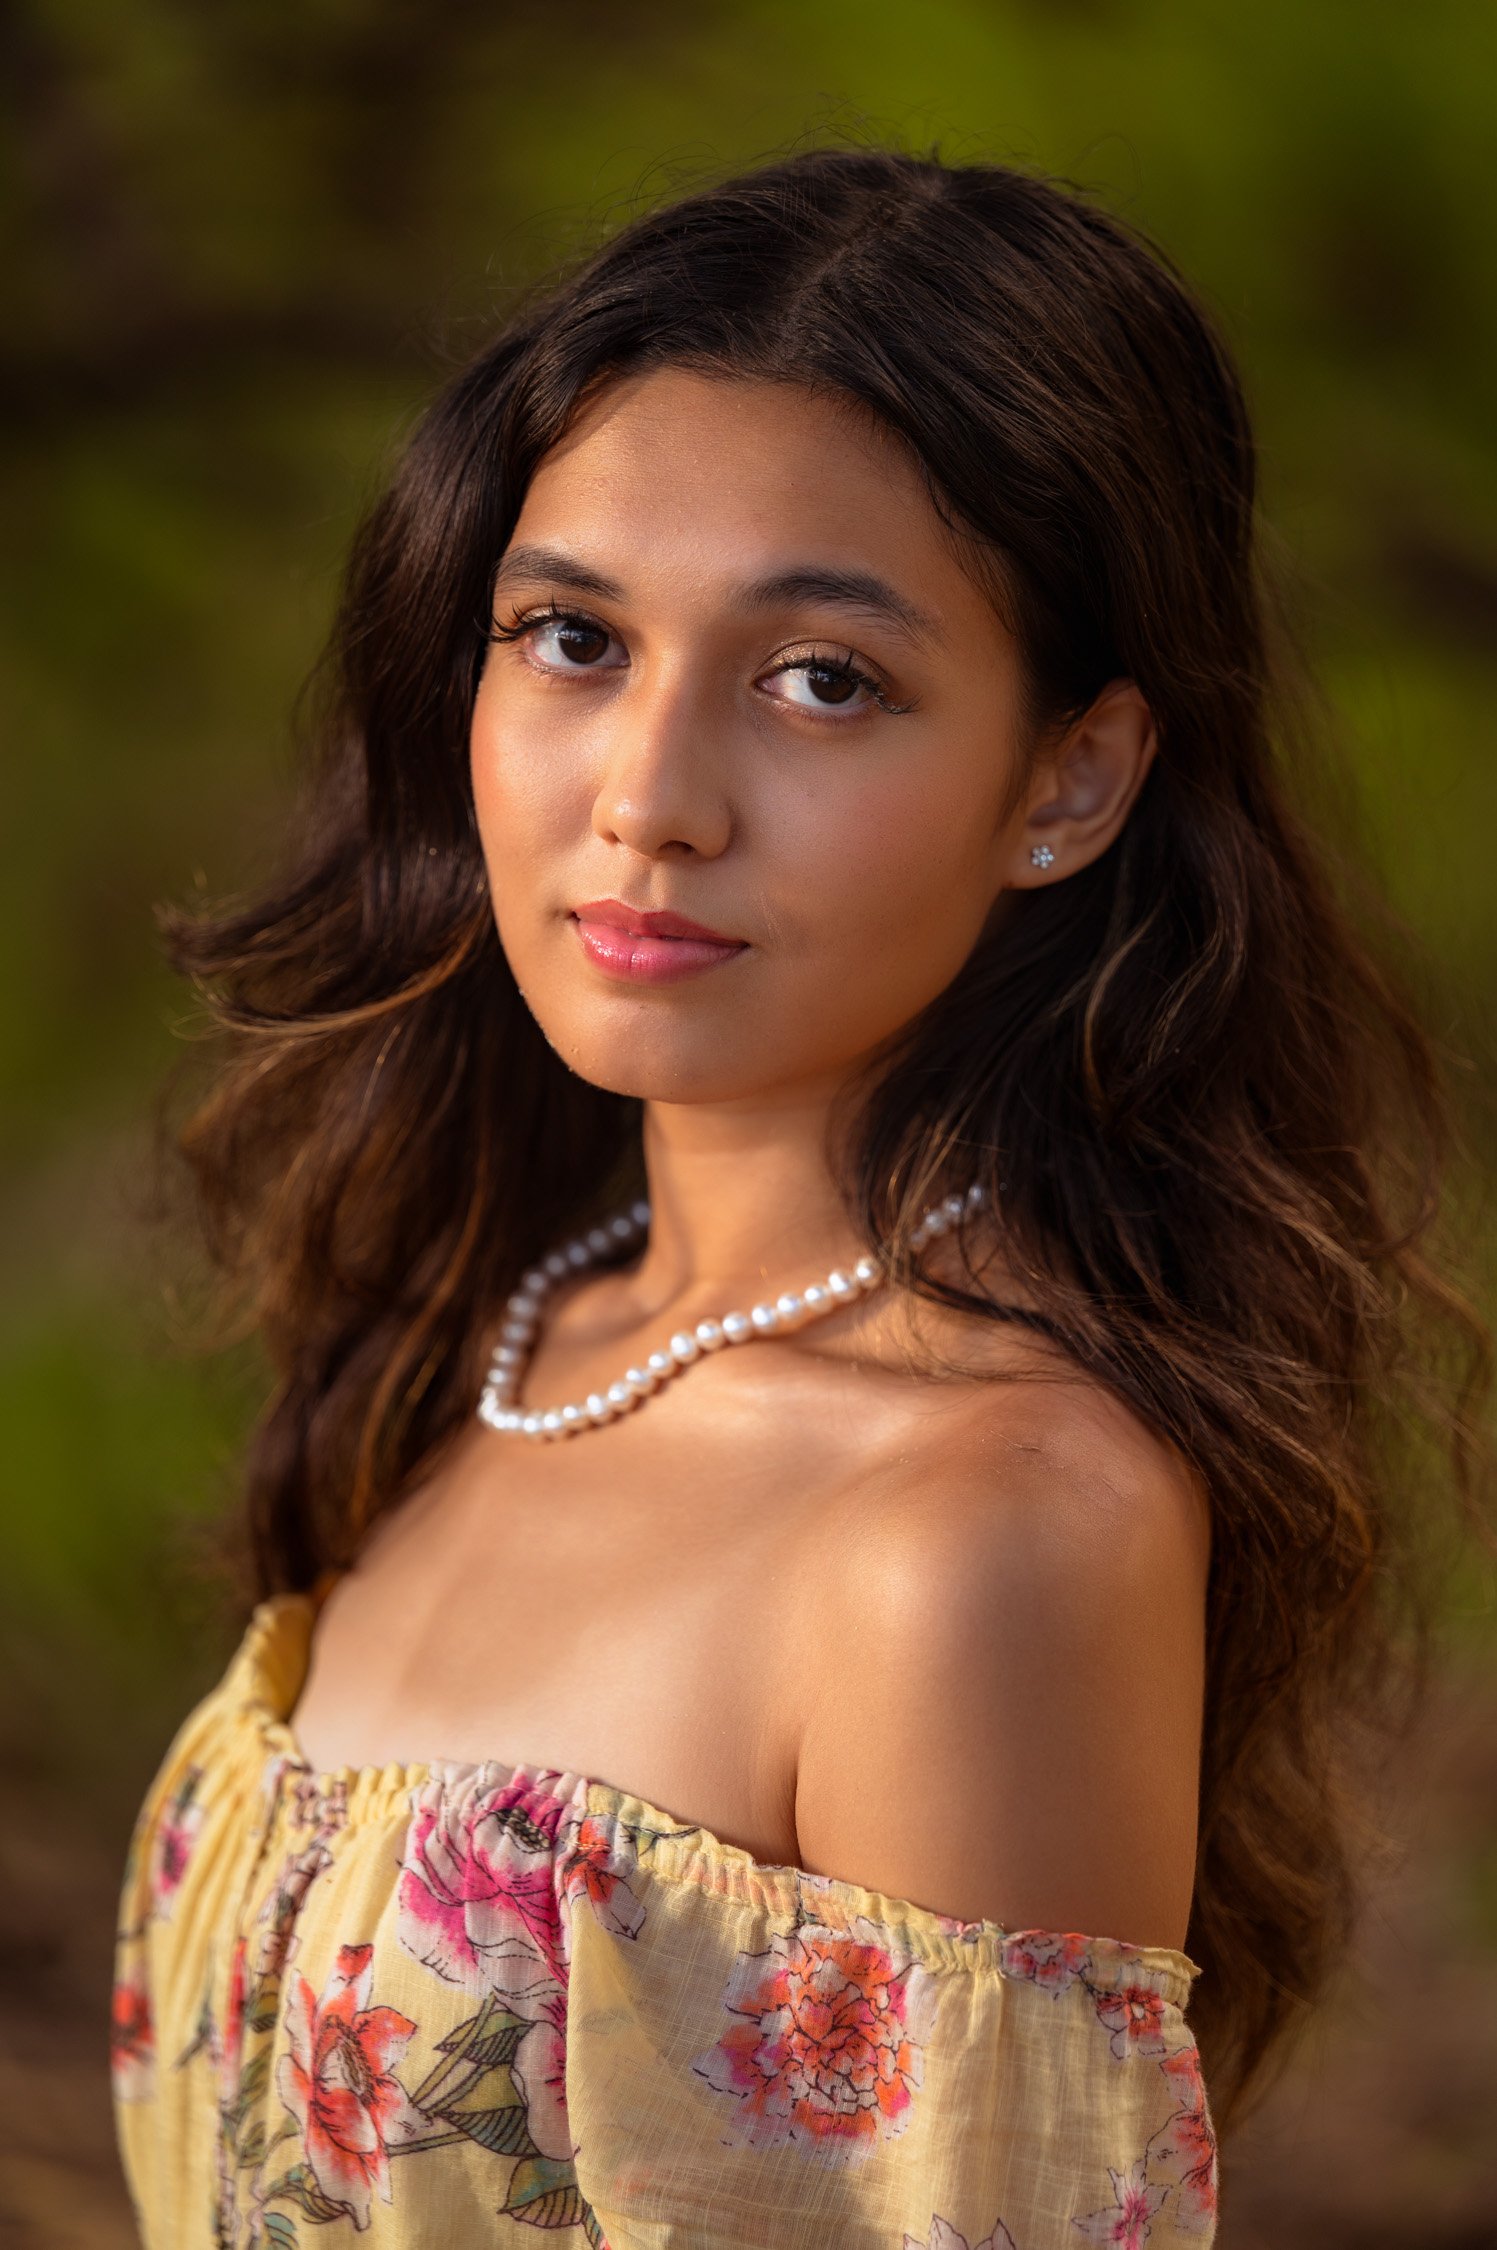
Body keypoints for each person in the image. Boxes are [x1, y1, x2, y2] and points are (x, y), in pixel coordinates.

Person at [109, 147, 1484, 2248]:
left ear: (1069, 782)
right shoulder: (488, 1329)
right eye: (570, 635)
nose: (648, 798)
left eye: (818, 679)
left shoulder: (982, 1535)